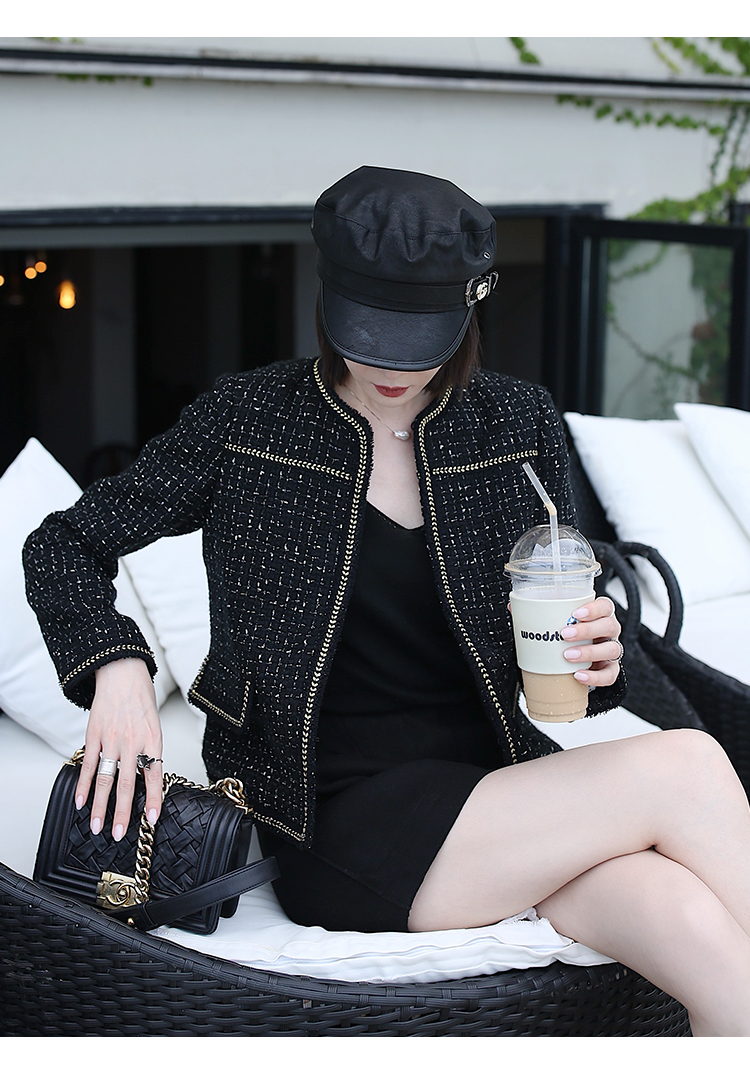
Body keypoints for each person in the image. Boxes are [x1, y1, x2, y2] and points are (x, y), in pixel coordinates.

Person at [23, 166, 750, 1037]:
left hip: (500, 792)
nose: (390, 366)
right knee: (689, 765)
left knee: (695, 930)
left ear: (469, 309)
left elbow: (567, 661)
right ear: (329, 300)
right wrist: (117, 666)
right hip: (334, 819)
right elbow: (61, 544)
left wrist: (600, 659)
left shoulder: (516, 425)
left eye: (420, 338)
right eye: (370, 333)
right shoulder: (248, 421)